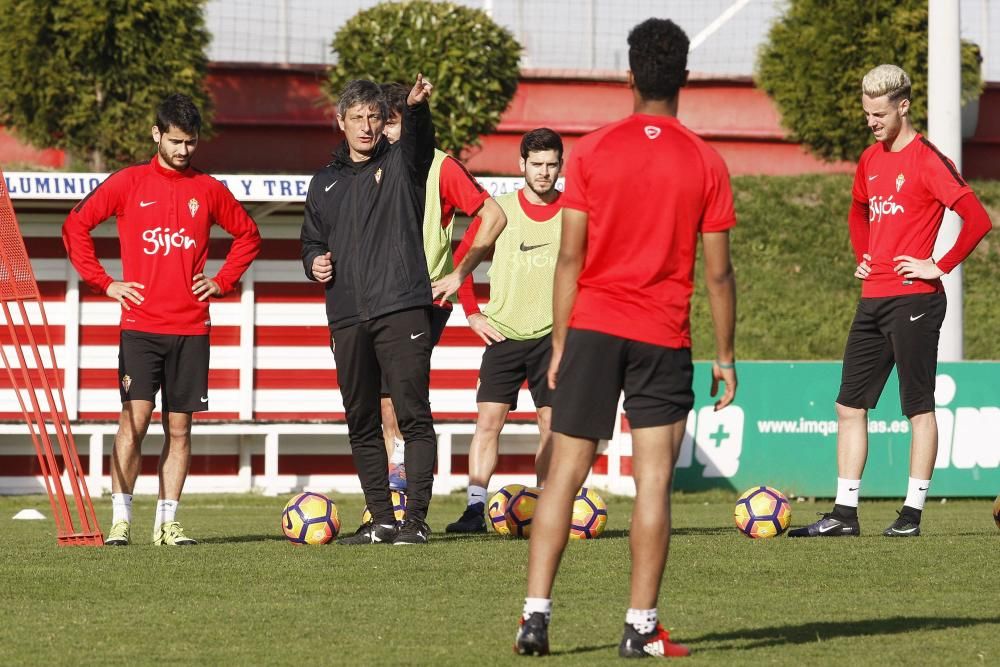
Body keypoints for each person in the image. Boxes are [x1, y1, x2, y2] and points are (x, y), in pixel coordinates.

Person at [514, 19, 737, 659]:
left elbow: (569, 258)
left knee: (563, 479)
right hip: (662, 336)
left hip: (592, 329)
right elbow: (718, 272)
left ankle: (535, 619)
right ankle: (640, 629)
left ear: (631, 75)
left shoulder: (590, 151)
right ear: (686, 79)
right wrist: (724, 356)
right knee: (654, 486)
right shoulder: (706, 160)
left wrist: (560, 342)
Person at [788, 64, 991, 539]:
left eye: (878, 113)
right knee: (848, 405)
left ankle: (911, 514)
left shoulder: (928, 160)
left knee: (917, 408)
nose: (871, 122)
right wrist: (864, 254)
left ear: (903, 106)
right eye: (866, 114)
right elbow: (858, 210)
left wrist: (937, 265)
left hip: (915, 300)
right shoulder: (870, 159)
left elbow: (977, 218)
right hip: (872, 298)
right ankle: (844, 513)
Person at [300, 75, 502, 546]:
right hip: (347, 316)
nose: (367, 126)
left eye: (374, 117)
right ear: (341, 123)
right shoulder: (323, 183)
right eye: (358, 118)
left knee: (413, 415)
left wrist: (415, 110)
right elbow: (310, 240)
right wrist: (315, 262)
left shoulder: (403, 165)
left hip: (403, 308)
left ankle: (415, 521)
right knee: (363, 420)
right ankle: (380, 520)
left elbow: (419, 144)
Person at [62, 93, 262, 547]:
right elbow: (75, 227)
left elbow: (248, 235)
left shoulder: (209, 189)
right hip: (141, 326)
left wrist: (222, 280)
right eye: (176, 141)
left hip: (192, 328)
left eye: (191, 143)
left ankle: (168, 524)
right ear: (157, 134)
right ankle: (121, 520)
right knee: (134, 421)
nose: (184, 151)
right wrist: (104, 282)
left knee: (180, 427)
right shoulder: (128, 182)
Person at [377, 82, 507, 491]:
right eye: (382, 125)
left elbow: (494, 216)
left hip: (422, 300)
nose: (384, 134)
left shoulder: (441, 166)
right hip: (376, 297)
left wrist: (460, 272)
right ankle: (391, 488)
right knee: (382, 398)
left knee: (404, 393)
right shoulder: (369, 164)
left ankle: (411, 491)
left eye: (393, 125)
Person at [445, 128, 564, 533]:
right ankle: (475, 509)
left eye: (551, 164)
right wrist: (473, 314)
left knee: (550, 425)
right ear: (522, 166)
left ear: (560, 166)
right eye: (537, 164)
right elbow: (462, 262)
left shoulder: (575, 213)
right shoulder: (501, 211)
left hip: (553, 337)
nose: (544, 172)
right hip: (504, 334)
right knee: (488, 423)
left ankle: (547, 508)